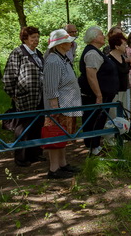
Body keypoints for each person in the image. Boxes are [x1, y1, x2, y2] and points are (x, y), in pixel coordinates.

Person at [3, 26, 46, 167]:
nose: (36, 40)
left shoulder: (38, 53)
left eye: (37, 37)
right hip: (24, 97)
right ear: (25, 38)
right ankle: (21, 158)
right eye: (33, 38)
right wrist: (13, 95)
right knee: (23, 127)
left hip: (39, 96)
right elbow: (9, 76)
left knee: (37, 125)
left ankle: (35, 154)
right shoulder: (18, 53)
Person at [42, 29, 82, 179]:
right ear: (59, 44)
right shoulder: (53, 60)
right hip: (59, 108)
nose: (71, 43)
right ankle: (54, 169)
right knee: (55, 135)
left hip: (68, 105)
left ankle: (63, 164)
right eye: (68, 40)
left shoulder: (62, 58)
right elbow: (51, 88)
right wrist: (54, 109)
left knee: (62, 135)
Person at [78, 26, 119, 156]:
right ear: (94, 38)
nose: (104, 37)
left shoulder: (96, 51)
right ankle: (92, 147)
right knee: (94, 120)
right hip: (94, 95)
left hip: (103, 94)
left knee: (99, 120)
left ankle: (95, 145)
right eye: (101, 34)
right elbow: (91, 75)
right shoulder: (92, 53)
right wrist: (99, 94)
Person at [107, 33, 130, 119]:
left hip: (123, 90)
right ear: (117, 46)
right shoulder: (108, 59)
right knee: (113, 116)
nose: (126, 46)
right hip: (113, 93)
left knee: (122, 115)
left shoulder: (123, 58)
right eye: (124, 44)